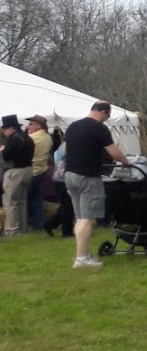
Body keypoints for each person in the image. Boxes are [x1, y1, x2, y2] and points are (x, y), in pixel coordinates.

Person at [64, 102, 133, 268]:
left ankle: (83, 253)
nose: (106, 119)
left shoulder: (73, 126)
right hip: (87, 177)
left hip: (70, 175)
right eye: (107, 116)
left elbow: (65, 150)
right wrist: (126, 161)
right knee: (87, 219)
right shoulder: (99, 128)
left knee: (80, 218)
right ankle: (81, 259)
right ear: (103, 112)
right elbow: (114, 152)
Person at [1, 114, 36, 236]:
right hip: (28, 169)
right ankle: (22, 227)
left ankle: (12, 229)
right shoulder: (27, 138)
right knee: (22, 200)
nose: (4, 131)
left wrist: (2, 150)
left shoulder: (14, 139)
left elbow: (6, 155)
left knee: (11, 201)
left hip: (15, 171)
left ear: (11, 128)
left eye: (5, 128)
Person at [26, 115, 53, 232]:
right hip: (42, 170)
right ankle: (39, 223)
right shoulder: (48, 137)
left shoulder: (32, 138)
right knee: (37, 199)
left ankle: (31, 222)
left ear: (38, 126)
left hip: (32, 170)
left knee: (27, 199)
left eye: (31, 124)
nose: (28, 127)